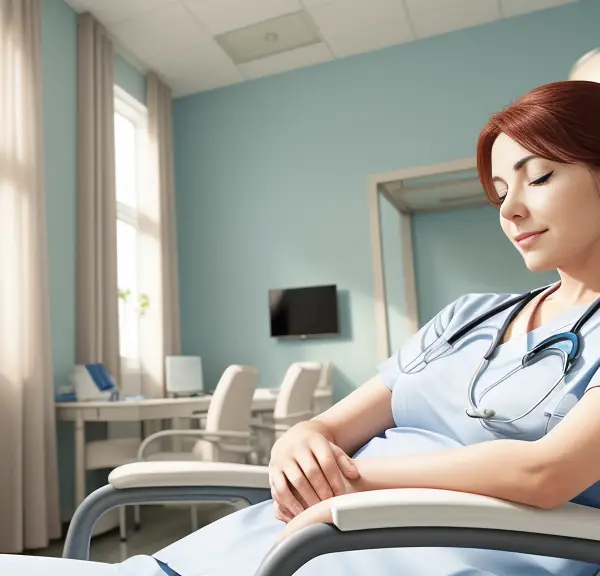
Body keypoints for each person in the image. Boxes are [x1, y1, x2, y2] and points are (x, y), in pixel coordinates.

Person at [8, 79, 600, 576]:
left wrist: (356, 483)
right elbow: (331, 425)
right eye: (499, 191)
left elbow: (542, 473)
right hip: (265, 546)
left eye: (539, 177)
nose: (509, 208)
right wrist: (298, 440)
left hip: (393, 552)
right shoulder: (469, 316)